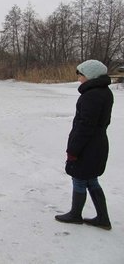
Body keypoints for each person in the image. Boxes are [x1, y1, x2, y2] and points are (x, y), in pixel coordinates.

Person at [55, 60, 114, 230]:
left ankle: (75, 215)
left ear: (90, 75)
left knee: (80, 179)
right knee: (91, 180)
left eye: (80, 74)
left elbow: (85, 126)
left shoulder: (92, 95)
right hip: (98, 143)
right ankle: (103, 218)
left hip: (88, 146)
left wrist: (73, 150)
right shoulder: (104, 92)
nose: (79, 78)